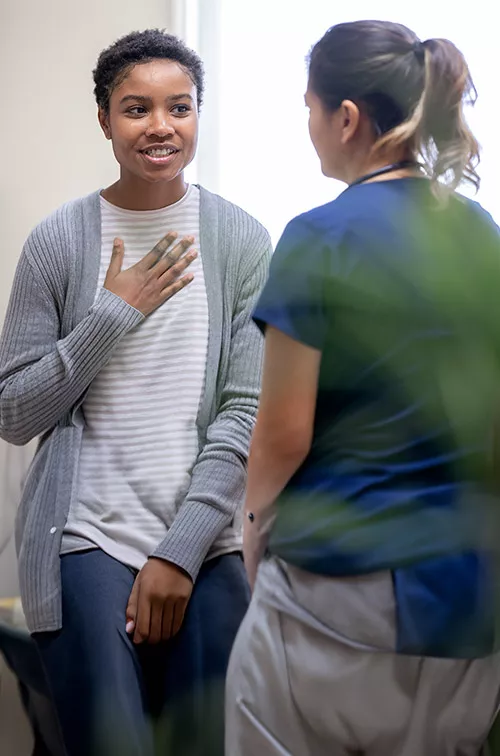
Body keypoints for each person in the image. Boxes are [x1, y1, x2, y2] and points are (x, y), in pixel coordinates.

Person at [226, 20, 500, 756]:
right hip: (468, 598)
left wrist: (250, 533)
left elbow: (283, 435)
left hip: (336, 590)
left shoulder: (320, 236)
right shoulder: (482, 236)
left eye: (309, 108)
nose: (309, 127)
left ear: (345, 118)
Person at [0, 29, 271, 756]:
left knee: (206, 743)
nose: (160, 127)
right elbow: (15, 413)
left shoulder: (241, 241)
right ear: (104, 119)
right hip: (83, 537)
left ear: (196, 115)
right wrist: (113, 314)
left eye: (178, 107)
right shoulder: (58, 242)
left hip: (204, 541)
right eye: (136, 108)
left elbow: (243, 411)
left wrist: (178, 554)